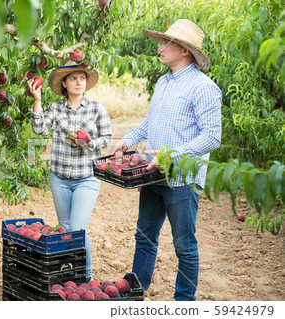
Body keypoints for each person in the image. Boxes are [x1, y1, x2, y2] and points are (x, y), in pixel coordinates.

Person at [109, 19, 222, 300]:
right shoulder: (162, 82)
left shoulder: (203, 87)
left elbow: (212, 137)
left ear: (184, 50)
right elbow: (150, 123)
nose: (159, 47)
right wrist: (126, 140)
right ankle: (136, 290)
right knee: (144, 238)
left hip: (182, 179)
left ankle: (184, 302)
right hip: (152, 173)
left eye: (165, 43)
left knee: (184, 245)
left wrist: (172, 155)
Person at [29, 59, 112, 280]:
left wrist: (90, 143)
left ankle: (85, 277)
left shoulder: (97, 108)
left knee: (76, 228)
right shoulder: (55, 108)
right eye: (73, 79)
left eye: (82, 78)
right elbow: (39, 129)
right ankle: (69, 274)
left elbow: (107, 139)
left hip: (87, 177)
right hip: (60, 178)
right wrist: (37, 100)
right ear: (64, 83)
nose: (79, 83)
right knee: (64, 229)